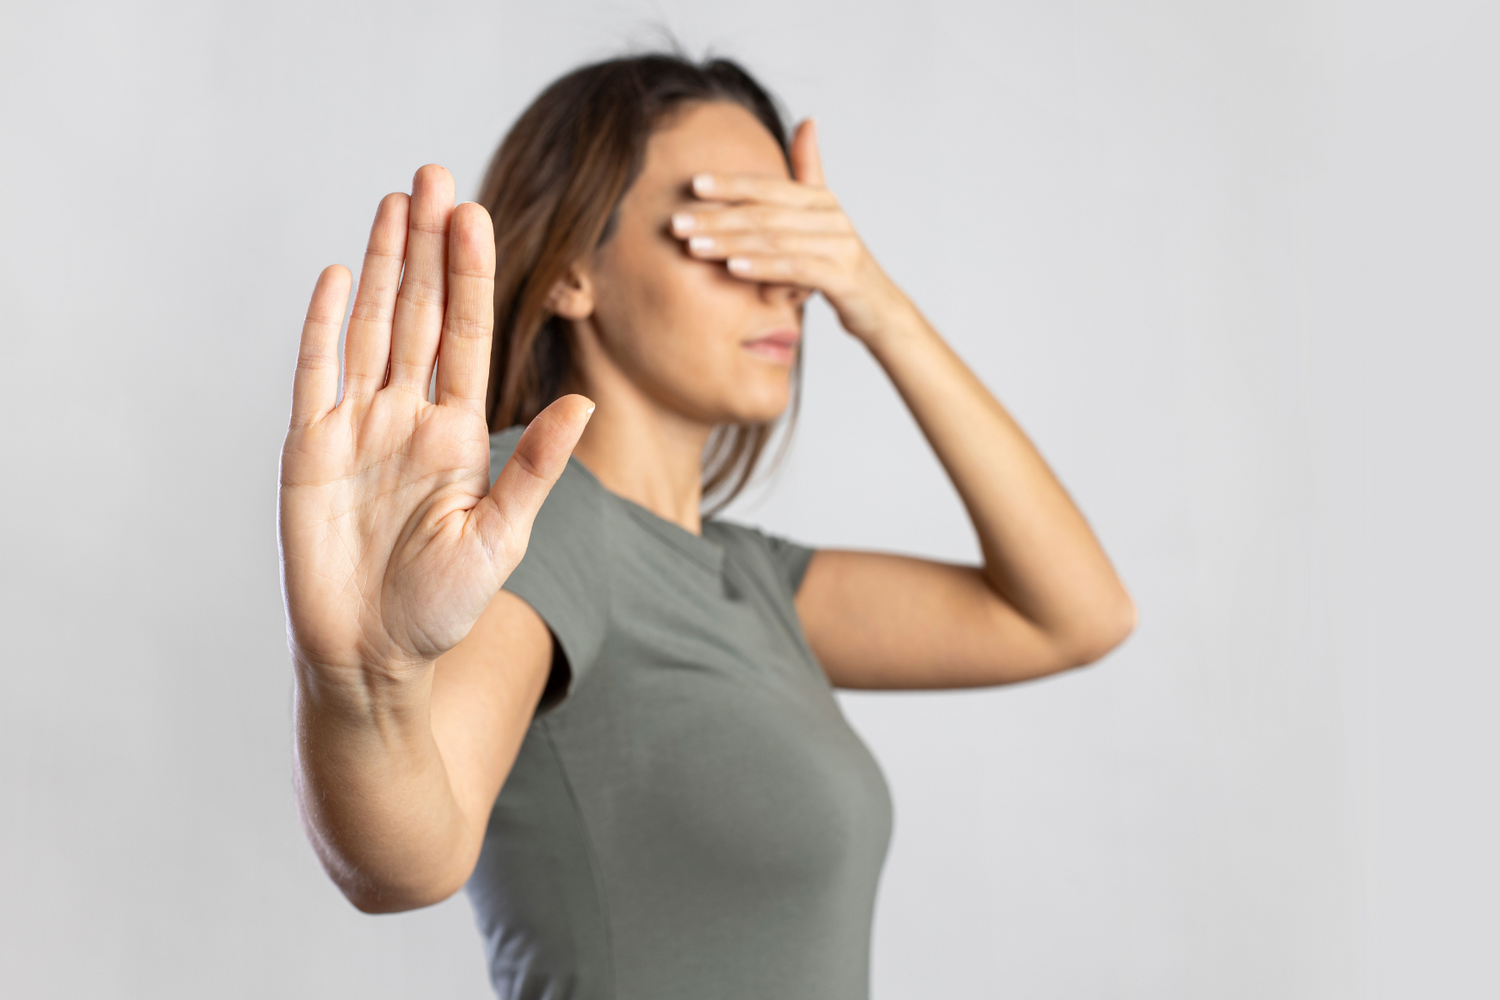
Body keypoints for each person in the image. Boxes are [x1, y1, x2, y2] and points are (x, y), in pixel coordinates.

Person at [278, 52, 1135, 1000]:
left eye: (796, 243)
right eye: (731, 230)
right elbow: (411, 857)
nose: (785, 286)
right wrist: (362, 683)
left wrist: (872, 297)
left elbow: (1075, 615)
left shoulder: (744, 576)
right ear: (572, 271)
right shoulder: (547, 519)